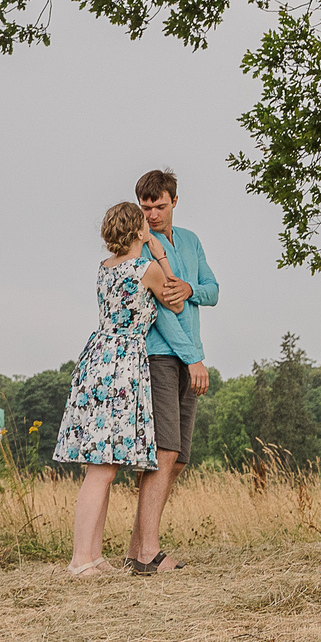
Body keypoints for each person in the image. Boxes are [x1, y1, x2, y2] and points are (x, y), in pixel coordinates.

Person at [54, 200, 175, 578]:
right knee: (102, 468)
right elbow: (172, 295)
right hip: (123, 365)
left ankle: (92, 555)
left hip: (99, 356)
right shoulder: (146, 269)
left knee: (103, 466)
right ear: (139, 231)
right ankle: (79, 560)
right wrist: (162, 256)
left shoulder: (104, 269)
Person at [126, 167, 218, 576]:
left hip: (191, 355)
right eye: (145, 207)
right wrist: (192, 357)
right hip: (161, 355)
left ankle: (136, 547)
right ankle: (148, 553)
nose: (152, 214)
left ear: (174, 201)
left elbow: (212, 291)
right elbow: (161, 312)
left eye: (159, 206)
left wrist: (190, 289)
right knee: (163, 452)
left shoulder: (192, 241)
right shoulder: (141, 246)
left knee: (179, 457)